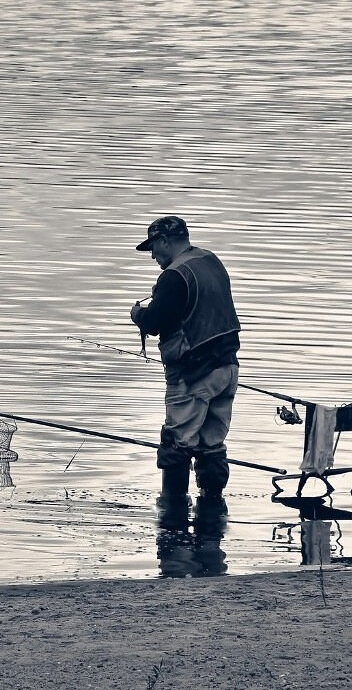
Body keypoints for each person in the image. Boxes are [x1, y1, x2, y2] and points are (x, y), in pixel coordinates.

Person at [129, 216, 241, 506]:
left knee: (177, 444)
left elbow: (155, 322)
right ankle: (212, 510)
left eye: (153, 247)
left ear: (165, 241)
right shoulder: (210, 261)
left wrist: (138, 316)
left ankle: (173, 512)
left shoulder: (175, 275)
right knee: (211, 444)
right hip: (227, 369)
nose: (152, 255)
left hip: (194, 375)